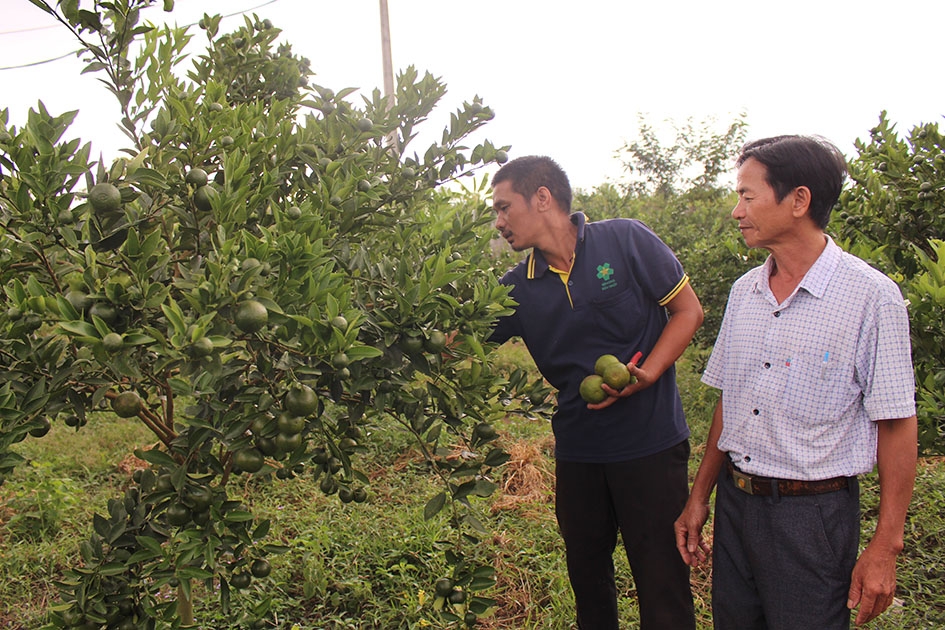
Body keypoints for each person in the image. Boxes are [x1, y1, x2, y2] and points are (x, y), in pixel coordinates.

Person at [674, 135, 918, 629]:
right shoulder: (746, 292)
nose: (736, 210)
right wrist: (700, 496)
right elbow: (732, 401)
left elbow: (896, 423)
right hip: (738, 503)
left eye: (747, 195)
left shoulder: (872, 298)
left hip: (812, 518)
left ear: (799, 200)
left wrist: (886, 546)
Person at [489, 155, 704, 629]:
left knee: (662, 583)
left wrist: (650, 370)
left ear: (542, 197)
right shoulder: (513, 289)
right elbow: (451, 341)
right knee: (589, 584)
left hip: (650, 445)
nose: (499, 222)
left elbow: (688, 311)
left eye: (505, 208)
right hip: (579, 452)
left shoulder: (625, 240)